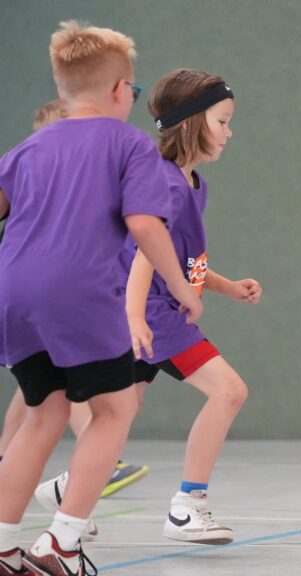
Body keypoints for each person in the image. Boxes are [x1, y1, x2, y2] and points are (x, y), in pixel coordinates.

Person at [0, 21, 202, 575]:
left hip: (14, 291)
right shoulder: (129, 143)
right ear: (120, 91)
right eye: (133, 91)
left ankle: (2, 543)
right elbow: (144, 223)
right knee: (116, 408)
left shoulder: (27, 148)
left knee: (44, 412)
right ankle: (61, 544)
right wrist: (182, 284)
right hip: (78, 291)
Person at [0, 101, 149, 536]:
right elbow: (148, 233)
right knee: (108, 407)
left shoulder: (48, 167)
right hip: (63, 301)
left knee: (42, 403)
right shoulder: (41, 163)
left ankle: (13, 534)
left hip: (30, 301)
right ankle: (63, 535)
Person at [125, 68, 258, 544]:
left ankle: (66, 493)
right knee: (229, 391)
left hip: (159, 311)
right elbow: (144, 256)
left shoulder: (193, 184)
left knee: (120, 413)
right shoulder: (166, 184)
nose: (229, 132)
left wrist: (225, 287)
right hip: (157, 316)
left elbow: (181, 261)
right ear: (190, 123)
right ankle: (188, 506)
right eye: (222, 122)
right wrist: (136, 317)